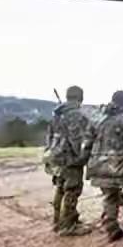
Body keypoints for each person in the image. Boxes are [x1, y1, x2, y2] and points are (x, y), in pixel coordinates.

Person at [85, 90, 123, 243]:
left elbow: (87, 144)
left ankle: (112, 229)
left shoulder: (96, 119)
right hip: (121, 165)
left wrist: (88, 162)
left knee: (110, 197)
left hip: (98, 165)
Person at [42, 85, 92, 236]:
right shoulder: (77, 116)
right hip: (70, 159)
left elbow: (49, 137)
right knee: (72, 190)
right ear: (81, 97)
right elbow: (77, 141)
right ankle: (68, 226)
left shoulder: (57, 115)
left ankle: (58, 221)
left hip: (56, 157)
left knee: (60, 188)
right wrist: (82, 158)